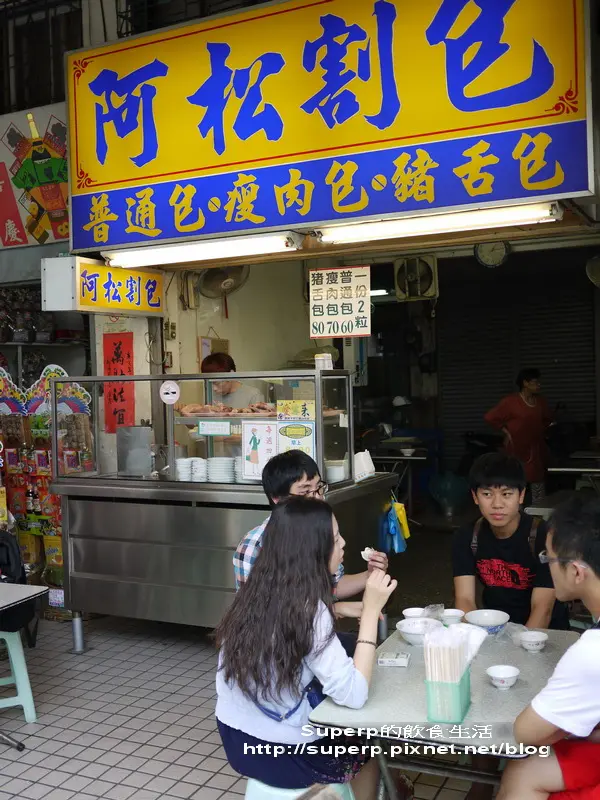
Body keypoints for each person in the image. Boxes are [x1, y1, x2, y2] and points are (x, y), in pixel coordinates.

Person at [216, 497, 397, 799]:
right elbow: (354, 694)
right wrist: (369, 613)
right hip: (285, 754)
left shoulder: (255, 590)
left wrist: (341, 609)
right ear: (312, 549)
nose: (343, 543)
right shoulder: (311, 611)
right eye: (335, 538)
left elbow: (293, 628)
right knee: (364, 740)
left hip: (236, 739)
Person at [496, 496, 600, 800]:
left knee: (521, 772)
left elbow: (526, 733)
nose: (546, 566)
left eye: (549, 559)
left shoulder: (590, 653)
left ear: (577, 572)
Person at [234, 451, 389, 627]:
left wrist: (370, 574)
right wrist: (335, 609)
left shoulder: (320, 532)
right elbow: (259, 616)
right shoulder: (254, 546)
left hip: (313, 636)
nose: (318, 498)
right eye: (306, 491)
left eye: (319, 488)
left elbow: (333, 586)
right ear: (277, 499)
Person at [453, 453, 569, 631]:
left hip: (545, 633)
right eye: (487, 494)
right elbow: (464, 599)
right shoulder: (467, 536)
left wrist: (521, 651)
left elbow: (542, 608)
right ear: (475, 497)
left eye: (506, 494)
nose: (497, 504)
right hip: (497, 630)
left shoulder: (544, 536)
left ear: (521, 495)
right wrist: (477, 639)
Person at [485, 368, 553, 503]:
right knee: (515, 479)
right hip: (516, 448)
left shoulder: (540, 402)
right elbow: (490, 417)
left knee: (537, 478)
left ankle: (538, 511)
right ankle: (514, 510)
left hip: (535, 447)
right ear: (525, 383)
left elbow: (547, 419)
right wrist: (506, 432)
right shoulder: (510, 402)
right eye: (535, 382)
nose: (539, 385)